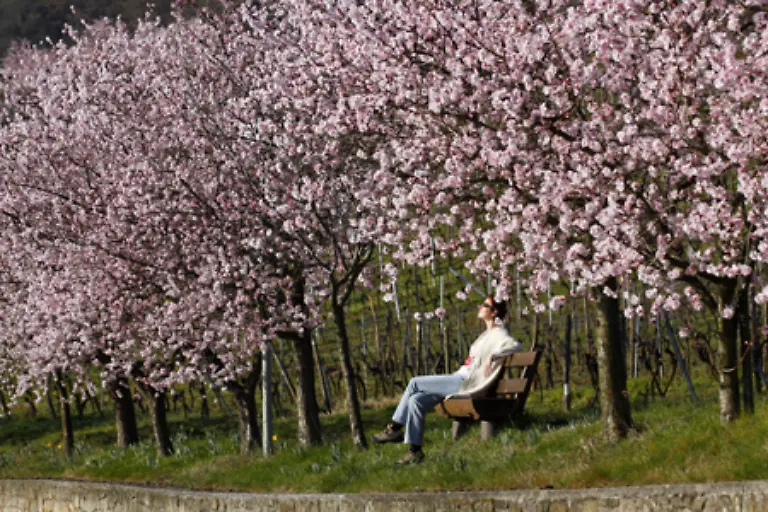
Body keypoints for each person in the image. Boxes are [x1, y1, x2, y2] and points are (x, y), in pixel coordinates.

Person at [372, 295, 522, 465]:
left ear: (494, 312)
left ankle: (394, 428)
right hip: (459, 378)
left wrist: (493, 356)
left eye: (485, 305)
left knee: (414, 382)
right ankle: (414, 451)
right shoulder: (487, 334)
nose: (480, 307)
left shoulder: (499, 333)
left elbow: (515, 345)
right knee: (416, 400)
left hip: (465, 383)